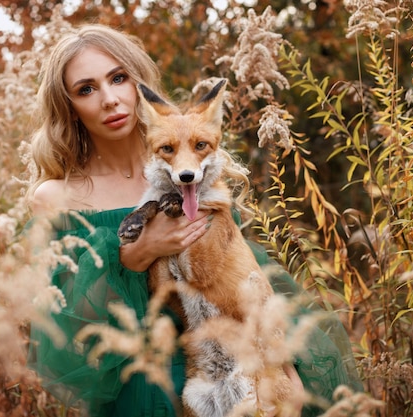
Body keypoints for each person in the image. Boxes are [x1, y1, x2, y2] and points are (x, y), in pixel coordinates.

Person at [26, 23, 361, 417]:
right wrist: (138, 253)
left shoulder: (197, 175)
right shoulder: (57, 198)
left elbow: (244, 281)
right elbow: (67, 323)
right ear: (69, 107)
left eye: (119, 78)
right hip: (144, 386)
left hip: (241, 376)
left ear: (139, 85)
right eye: (87, 89)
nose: (110, 99)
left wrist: (285, 372)